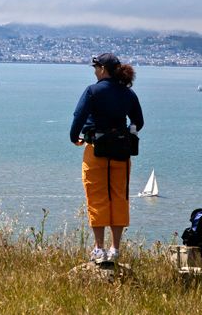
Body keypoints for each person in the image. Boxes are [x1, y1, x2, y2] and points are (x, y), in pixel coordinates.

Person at [69, 53, 144, 264]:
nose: (94, 71)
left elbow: (78, 117)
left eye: (96, 67)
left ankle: (99, 249)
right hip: (121, 152)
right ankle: (115, 249)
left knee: (97, 198)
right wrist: (125, 133)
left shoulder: (92, 91)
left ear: (103, 69)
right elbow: (139, 121)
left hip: (96, 150)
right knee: (119, 197)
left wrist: (75, 138)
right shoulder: (128, 93)